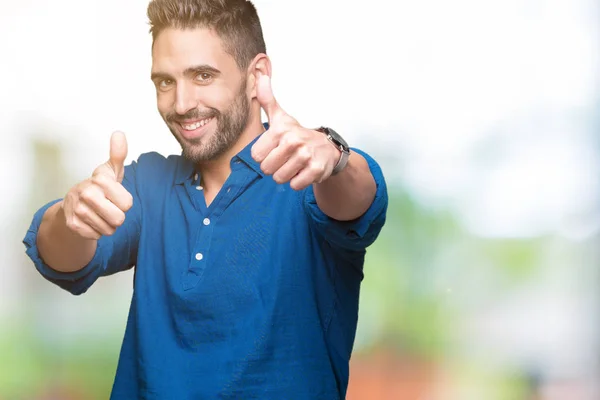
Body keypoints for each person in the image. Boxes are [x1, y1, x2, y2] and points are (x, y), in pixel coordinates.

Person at [23, 0, 388, 398]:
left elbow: (359, 201)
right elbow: (62, 260)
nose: (181, 104)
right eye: (165, 82)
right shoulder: (148, 183)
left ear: (257, 76)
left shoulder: (308, 176)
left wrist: (335, 157)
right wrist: (71, 215)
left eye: (202, 75)